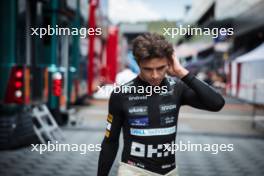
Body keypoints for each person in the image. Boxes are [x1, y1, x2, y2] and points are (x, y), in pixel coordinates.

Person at [97, 33, 225, 176]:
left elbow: (217, 104)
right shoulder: (121, 94)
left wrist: (182, 73)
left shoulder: (177, 88)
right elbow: (110, 141)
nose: (155, 75)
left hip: (169, 171)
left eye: (160, 67)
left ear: (169, 63)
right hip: (133, 170)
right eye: (148, 69)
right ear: (138, 63)